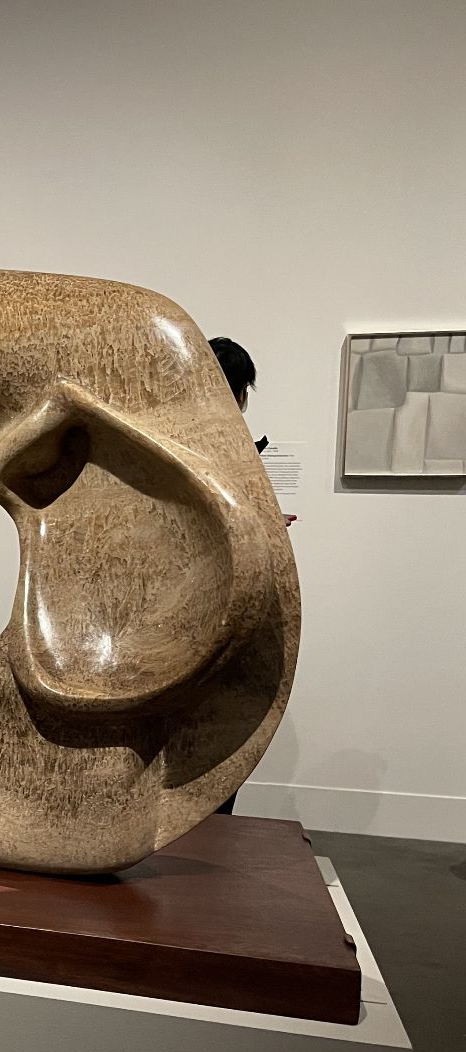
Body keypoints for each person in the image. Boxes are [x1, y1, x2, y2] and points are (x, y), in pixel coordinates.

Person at [207, 338, 293, 815]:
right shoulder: (236, 453)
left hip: (179, 611)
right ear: (241, 393)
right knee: (221, 735)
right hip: (226, 612)